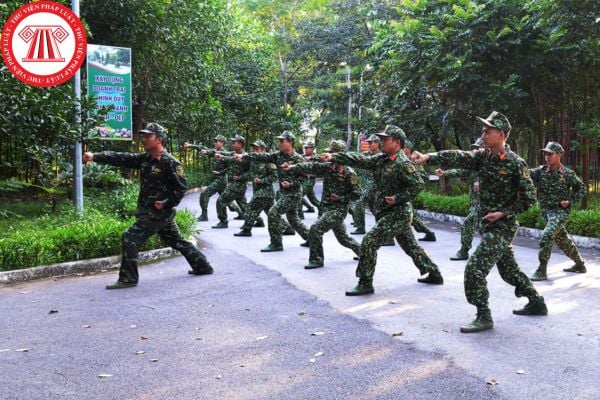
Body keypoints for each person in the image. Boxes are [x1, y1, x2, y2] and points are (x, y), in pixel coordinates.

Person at [411, 111, 547, 333]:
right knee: (509, 271)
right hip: (488, 225)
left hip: (503, 226)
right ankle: (536, 301)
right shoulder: (482, 157)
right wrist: (428, 157)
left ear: (501, 134)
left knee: (474, 269)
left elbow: (530, 199)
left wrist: (503, 212)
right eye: (483, 131)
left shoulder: (516, 163)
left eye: (487, 131)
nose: (483, 135)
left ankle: (483, 315)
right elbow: (458, 156)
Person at [83, 122, 213, 289]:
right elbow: (120, 157)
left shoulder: (170, 163)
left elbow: (181, 187)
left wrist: (166, 203)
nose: (144, 139)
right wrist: (95, 156)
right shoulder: (145, 159)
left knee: (130, 237)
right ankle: (202, 266)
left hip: (157, 213)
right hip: (152, 212)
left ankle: (128, 278)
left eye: (148, 136)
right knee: (177, 241)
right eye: (143, 135)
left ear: (159, 139)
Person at [321, 125, 443, 296]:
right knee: (410, 246)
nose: (382, 142)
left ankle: (365, 282)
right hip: (386, 212)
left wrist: (398, 198)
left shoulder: (403, 164)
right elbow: (358, 159)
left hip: (398, 213)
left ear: (397, 142)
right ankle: (434, 273)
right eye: (382, 139)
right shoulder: (381, 159)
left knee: (369, 241)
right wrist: (334, 156)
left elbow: (418, 184)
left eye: (386, 139)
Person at [283, 139, 361, 269]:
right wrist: (291, 167)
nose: (329, 155)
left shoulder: (349, 172)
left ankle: (317, 259)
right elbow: (311, 166)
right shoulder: (329, 167)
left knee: (315, 229)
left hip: (338, 210)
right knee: (343, 238)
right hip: (327, 208)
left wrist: (340, 197)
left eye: (332, 153)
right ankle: (363, 252)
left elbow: (357, 194)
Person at [233, 131, 309, 252]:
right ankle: (311, 239)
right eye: (279, 141)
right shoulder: (278, 156)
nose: (279, 143)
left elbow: (305, 177)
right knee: (293, 218)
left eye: (282, 141)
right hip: (284, 193)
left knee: (273, 213)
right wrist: (243, 156)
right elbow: (262, 156)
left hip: (294, 194)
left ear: (290, 142)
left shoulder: (298, 158)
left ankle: (276, 243)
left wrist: (291, 184)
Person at [529, 141, 587, 281]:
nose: (547, 157)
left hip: (560, 212)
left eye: (550, 154)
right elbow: (524, 173)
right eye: (545, 154)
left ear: (559, 155)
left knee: (547, 235)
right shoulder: (540, 172)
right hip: (546, 213)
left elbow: (582, 189)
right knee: (563, 241)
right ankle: (580, 264)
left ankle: (542, 270)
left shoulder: (567, 174)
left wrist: (570, 201)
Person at [434, 138, 484, 260]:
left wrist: (483, 184)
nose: (475, 150)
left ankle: (464, 250)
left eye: (478, 148)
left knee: (469, 224)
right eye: (475, 148)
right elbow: (460, 171)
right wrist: (444, 173)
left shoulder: (494, 164)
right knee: (485, 228)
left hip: (488, 204)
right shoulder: (473, 166)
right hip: (476, 203)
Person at [184, 136, 243, 221]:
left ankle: (204, 215)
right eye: (214, 141)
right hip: (219, 179)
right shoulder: (216, 152)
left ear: (222, 142)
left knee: (205, 194)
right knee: (227, 199)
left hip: (221, 179)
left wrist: (220, 172)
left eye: (217, 141)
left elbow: (231, 167)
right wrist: (190, 145)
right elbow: (203, 148)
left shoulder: (225, 153)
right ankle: (241, 213)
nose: (214, 143)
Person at [232, 140, 278, 237]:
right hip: (259, 191)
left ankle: (246, 229)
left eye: (258, 148)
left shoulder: (268, 160)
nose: (255, 150)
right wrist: (240, 177)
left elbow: (275, 176)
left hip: (266, 191)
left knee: (250, 207)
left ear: (263, 149)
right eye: (254, 148)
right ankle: (287, 228)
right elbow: (251, 174)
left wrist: (262, 181)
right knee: (270, 212)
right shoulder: (254, 160)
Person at [209, 135, 249, 229]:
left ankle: (223, 221)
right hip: (235, 185)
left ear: (240, 144)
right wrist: (221, 156)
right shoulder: (234, 153)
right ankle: (259, 220)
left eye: (234, 142)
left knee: (221, 200)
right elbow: (229, 156)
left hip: (237, 185)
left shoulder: (246, 156)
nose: (232, 144)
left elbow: (251, 172)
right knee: (245, 207)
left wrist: (240, 177)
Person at [403, 139, 436, 242]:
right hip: (403, 190)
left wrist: (414, 167)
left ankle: (428, 233)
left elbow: (424, 177)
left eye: (403, 147)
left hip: (410, 190)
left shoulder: (414, 161)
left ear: (407, 149)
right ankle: (429, 233)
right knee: (409, 214)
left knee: (407, 214)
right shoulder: (402, 159)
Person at [350, 134, 380, 235]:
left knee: (360, 202)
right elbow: (355, 157)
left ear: (377, 143)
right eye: (369, 142)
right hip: (366, 185)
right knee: (374, 209)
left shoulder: (383, 156)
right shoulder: (366, 154)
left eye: (371, 142)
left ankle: (360, 227)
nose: (369, 144)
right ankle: (384, 230)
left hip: (375, 185)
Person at [299, 141, 321, 217]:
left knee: (298, 195)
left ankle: (299, 215)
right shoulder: (302, 157)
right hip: (302, 179)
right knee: (313, 200)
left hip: (310, 180)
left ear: (312, 149)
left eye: (307, 148)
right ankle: (319, 209)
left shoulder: (317, 158)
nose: (305, 149)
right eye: (305, 148)